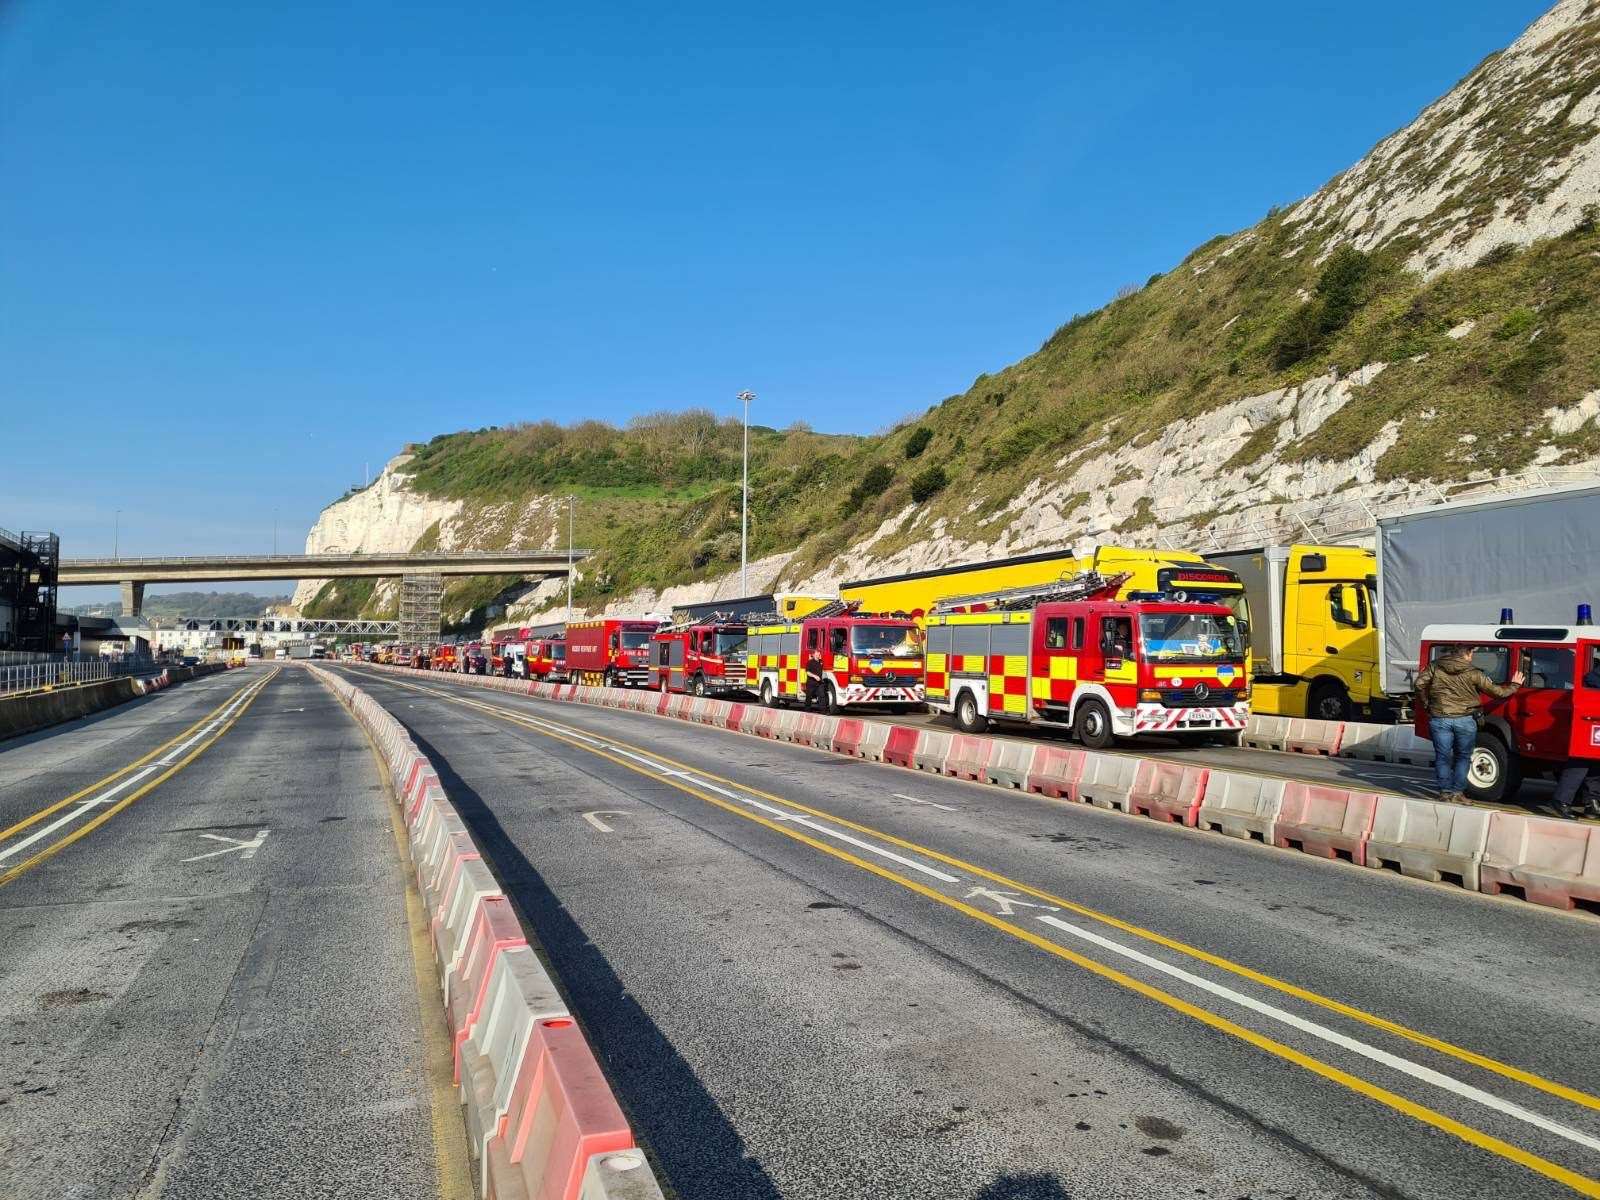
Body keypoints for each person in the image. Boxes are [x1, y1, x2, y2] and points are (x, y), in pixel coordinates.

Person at [1415, 645, 1523, 805]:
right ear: (1467, 654)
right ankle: (1458, 793)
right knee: (1463, 757)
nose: (1472, 656)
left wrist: (1427, 704)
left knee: (1442, 757)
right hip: (1465, 720)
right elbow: (1497, 692)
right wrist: (1515, 685)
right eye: (1472, 653)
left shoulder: (1435, 667)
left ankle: (1444, 792)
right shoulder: (1474, 673)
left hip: (1439, 718)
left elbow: (1419, 684)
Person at [1553, 658, 1600, 819]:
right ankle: (1561, 800)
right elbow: (1589, 680)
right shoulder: (1595, 675)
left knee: (1596, 764)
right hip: (1591, 721)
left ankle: (1592, 801)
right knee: (1581, 762)